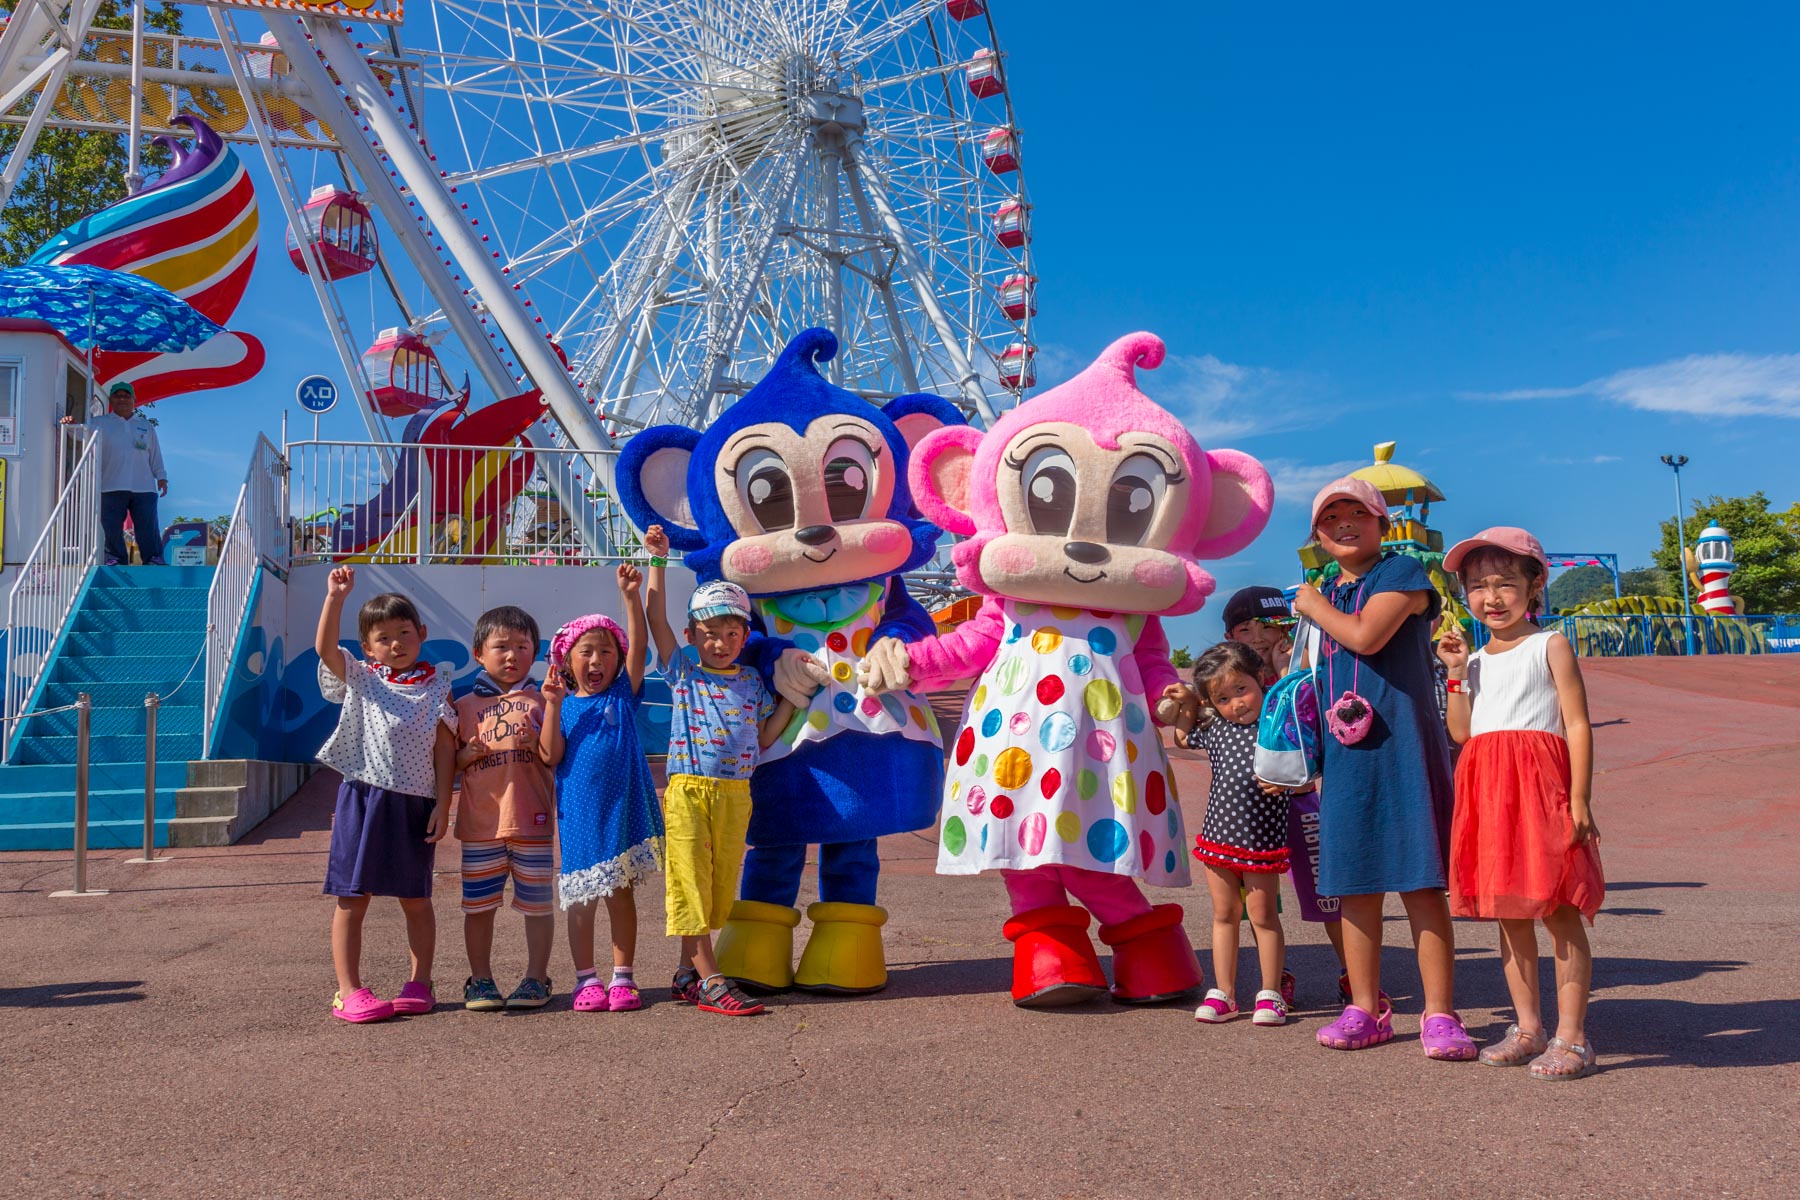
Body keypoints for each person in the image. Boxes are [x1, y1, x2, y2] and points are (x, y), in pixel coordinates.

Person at [1290, 477, 1469, 1059]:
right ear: (1317, 535)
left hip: (1404, 751)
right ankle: (1365, 1008)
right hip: (1346, 755)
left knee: (1421, 884)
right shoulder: (1326, 588)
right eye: (1330, 518)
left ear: (1382, 524)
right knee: (1356, 888)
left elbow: (1367, 636)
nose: (1343, 524)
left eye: (1356, 514)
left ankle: (1440, 1013)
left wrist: (1312, 606)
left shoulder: (1401, 576)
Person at [1439, 527, 1605, 1080]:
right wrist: (1457, 675)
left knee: (1559, 910)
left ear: (1535, 584)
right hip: (1488, 792)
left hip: (1541, 789)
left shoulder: (1549, 644)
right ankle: (1529, 1028)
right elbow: (1461, 733)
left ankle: (1573, 1037)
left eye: (1506, 583)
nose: (1492, 597)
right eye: (1478, 586)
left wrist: (1579, 797)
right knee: (1509, 917)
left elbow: (1577, 723)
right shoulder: (1476, 660)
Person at [643, 525, 800, 1017]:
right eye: (709, 633)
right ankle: (711, 979)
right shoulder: (683, 672)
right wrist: (657, 562)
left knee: (717, 887)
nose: (721, 642)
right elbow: (654, 618)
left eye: (732, 633)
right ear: (691, 636)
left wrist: (796, 701)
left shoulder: (753, 680)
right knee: (689, 879)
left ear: (745, 636)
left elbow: (766, 735)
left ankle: (686, 974)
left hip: (736, 793)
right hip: (689, 790)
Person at [314, 568, 456, 1024]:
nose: (396, 643)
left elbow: (445, 748)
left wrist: (443, 804)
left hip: (415, 804)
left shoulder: (437, 685)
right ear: (367, 648)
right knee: (353, 899)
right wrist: (335, 597)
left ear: (422, 634)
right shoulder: (361, 677)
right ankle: (347, 990)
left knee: (416, 899)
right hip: (364, 797)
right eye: (384, 637)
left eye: (404, 633)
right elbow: (324, 649)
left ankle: (420, 982)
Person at [538, 570, 664, 1014]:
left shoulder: (622, 697)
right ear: (567, 662)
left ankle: (623, 976)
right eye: (585, 652)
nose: (596, 660)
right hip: (578, 816)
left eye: (605, 651)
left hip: (622, 810)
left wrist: (630, 596)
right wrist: (552, 706)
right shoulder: (565, 705)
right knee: (581, 899)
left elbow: (640, 646)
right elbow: (549, 756)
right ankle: (586, 979)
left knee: (620, 893)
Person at [452, 605, 557, 1012]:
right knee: (478, 908)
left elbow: (556, 756)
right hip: (480, 825)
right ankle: (480, 979)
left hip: (534, 822)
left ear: (535, 653)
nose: (511, 655)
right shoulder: (463, 707)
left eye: (522, 646)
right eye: (500, 647)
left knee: (537, 906)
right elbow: (446, 764)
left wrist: (542, 747)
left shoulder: (544, 701)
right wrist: (462, 757)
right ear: (478, 653)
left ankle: (536, 977)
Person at [1184, 642, 1292, 1027]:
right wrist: (1182, 700)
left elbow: (1305, 760)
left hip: (1261, 843)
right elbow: (1183, 735)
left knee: (1263, 917)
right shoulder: (1215, 729)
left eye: (1242, 690)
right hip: (1217, 839)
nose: (1237, 703)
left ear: (1259, 681)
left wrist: (1289, 783)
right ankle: (1224, 993)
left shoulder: (1278, 726)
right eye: (1224, 698)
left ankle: (1270, 993)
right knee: (1224, 915)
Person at [60, 380, 168, 565]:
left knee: (147, 527)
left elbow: (155, 454)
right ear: (111, 400)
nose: (122, 399)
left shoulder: (145, 426)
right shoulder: (99, 423)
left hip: (143, 487)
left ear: (134, 400)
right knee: (111, 527)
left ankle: (153, 559)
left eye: (126, 396)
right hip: (110, 484)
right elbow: (79, 434)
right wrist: (69, 424)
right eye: (118, 396)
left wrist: (162, 477)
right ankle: (116, 559)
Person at [1220, 585, 1296, 683]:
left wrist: (1285, 672)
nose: (1257, 639)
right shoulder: (1227, 685)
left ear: (1284, 630)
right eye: (1245, 630)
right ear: (1230, 638)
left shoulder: (1310, 670)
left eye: (1267, 627)